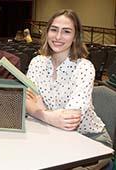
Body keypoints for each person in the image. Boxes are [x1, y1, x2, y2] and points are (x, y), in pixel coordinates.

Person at [26, 9, 112, 169]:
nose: (58, 37)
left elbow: (70, 119)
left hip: (90, 139)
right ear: (47, 32)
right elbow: (27, 102)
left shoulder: (84, 68)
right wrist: (49, 116)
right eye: (54, 29)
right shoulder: (37, 63)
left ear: (75, 37)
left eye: (66, 31)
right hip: (53, 134)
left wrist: (39, 111)